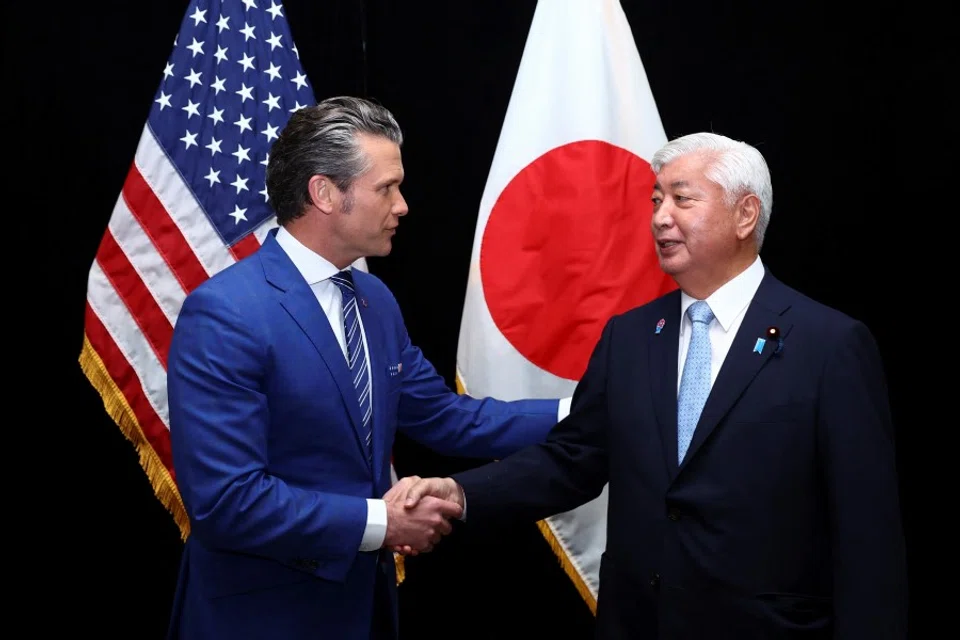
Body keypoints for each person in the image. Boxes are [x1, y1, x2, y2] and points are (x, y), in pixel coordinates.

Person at [395, 132, 908, 639]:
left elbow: (868, 530)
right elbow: (573, 459)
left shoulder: (829, 344)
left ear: (745, 214)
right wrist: (462, 493)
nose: (661, 217)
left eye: (682, 199)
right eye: (657, 200)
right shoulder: (631, 336)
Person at [164, 96, 569, 640]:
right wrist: (384, 523)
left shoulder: (374, 299)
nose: (402, 205)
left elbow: (450, 419)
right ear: (325, 193)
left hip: (366, 610)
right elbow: (227, 502)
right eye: (386, 188)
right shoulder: (225, 313)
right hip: (262, 618)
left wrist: (590, 408)